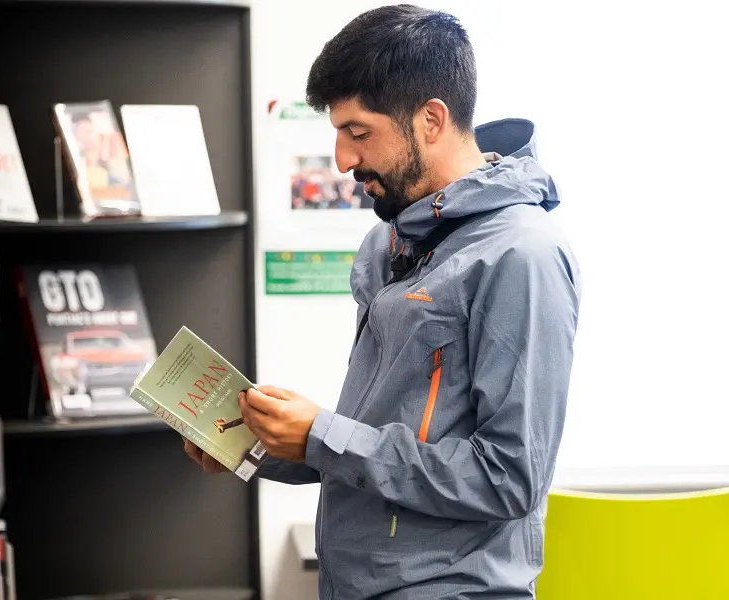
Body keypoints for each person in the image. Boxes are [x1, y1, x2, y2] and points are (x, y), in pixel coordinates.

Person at [183, 5, 581, 599]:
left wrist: (319, 434)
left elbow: (509, 478)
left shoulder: (522, 254)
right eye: (338, 133)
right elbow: (377, 442)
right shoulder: (390, 240)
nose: (342, 160)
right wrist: (256, 445)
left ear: (431, 119)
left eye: (358, 132)